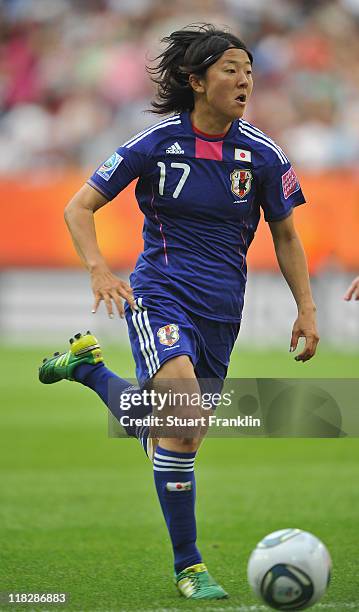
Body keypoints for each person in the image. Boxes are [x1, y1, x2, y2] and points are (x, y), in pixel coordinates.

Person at [39, 24, 319, 600]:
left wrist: (307, 309)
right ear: (196, 81)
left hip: (223, 311)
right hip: (161, 294)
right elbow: (79, 207)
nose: (244, 80)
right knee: (183, 420)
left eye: (248, 70)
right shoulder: (156, 143)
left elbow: (286, 236)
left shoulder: (262, 155)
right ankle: (189, 566)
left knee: (175, 436)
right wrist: (98, 267)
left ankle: (90, 370)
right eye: (229, 70)